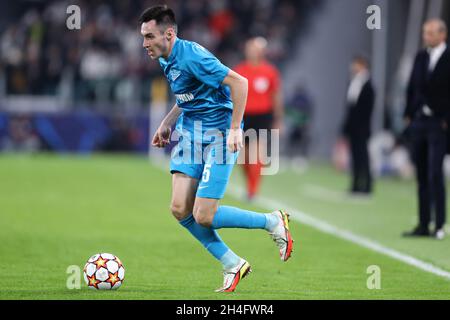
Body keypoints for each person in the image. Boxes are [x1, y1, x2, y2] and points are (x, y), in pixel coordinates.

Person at [140, 5, 294, 293]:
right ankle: (232, 263)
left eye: (149, 37)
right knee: (178, 208)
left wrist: (236, 128)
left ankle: (272, 221)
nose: (144, 44)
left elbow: (240, 83)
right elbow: (188, 95)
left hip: (219, 136)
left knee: (204, 215)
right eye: (144, 37)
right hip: (190, 134)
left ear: (169, 34)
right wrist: (167, 122)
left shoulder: (193, 56)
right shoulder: (165, 57)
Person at [403, 19, 449, 240]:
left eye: (430, 33)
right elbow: (412, 87)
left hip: (439, 123)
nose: (426, 37)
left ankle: (439, 224)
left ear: (443, 34)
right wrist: (408, 114)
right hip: (420, 121)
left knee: (435, 173)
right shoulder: (421, 57)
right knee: (421, 174)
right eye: (424, 33)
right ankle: (423, 223)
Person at [234, 37, 284, 200]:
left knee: (257, 154)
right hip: (243, 115)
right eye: (250, 48)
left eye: (255, 49)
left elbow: (276, 96)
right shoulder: (239, 70)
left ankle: (252, 190)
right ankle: (250, 184)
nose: (252, 51)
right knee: (242, 157)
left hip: (262, 116)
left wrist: (278, 119)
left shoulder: (270, 71)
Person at [341, 56, 375, 195]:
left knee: (363, 156)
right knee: (354, 156)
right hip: (353, 127)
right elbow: (350, 107)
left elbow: (367, 109)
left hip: (362, 127)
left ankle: (367, 185)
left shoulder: (368, 85)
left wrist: (361, 126)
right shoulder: (353, 82)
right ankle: (355, 185)